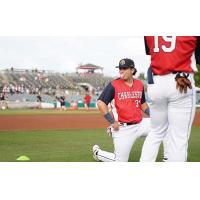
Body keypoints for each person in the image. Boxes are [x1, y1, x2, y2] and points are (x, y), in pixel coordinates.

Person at [140, 36, 200, 162]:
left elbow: (154, 52)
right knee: (179, 138)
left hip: (156, 83)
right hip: (181, 80)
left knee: (155, 133)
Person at [92, 58, 151, 162]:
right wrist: (112, 122)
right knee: (120, 161)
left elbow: (142, 103)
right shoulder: (114, 85)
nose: (121, 71)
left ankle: (166, 158)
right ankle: (98, 153)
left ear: (132, 70)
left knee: (161, 125)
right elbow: (100, 103)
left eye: (124, 68)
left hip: (140, 124)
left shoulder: (139, 84)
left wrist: (152, 114)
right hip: (123, 128)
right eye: (120, 68)